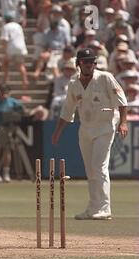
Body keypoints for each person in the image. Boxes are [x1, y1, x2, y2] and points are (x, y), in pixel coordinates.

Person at [51, 48, 128, 220]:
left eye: (92, 62)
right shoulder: (73, 83)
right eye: (85, 61)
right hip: (85, 128)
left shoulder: (105, 77)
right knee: (90, 169)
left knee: (99, 166)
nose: (89, 65)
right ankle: (93, 208)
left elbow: (122, 101)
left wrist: (123, 122)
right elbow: (67, 110)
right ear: (78, 64)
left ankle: (105, 208)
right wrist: (57, 132)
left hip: (105, 126)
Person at [0, 83, 25, 182]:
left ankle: (5, 173)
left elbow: (22, 112)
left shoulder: (14, 103)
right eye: (1, 92)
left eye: (5, 92)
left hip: (10, 129)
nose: (3, 94)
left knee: (7, 151)